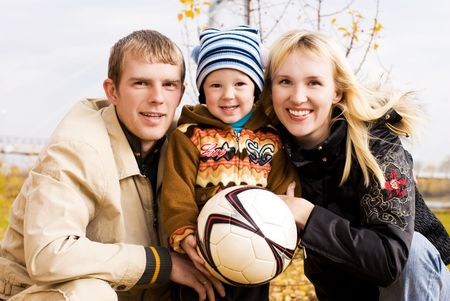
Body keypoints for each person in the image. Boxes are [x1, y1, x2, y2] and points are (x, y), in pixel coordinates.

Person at [0, 29, 222, 301]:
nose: (157, 97)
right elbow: (50, 254)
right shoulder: (77, 146)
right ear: (112, 91)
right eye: (141, 83)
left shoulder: (187, 143)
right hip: (39, 294)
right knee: (90, 294)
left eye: (169, 85)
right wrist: (164, 264)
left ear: (181, 93)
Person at [260, 29, 450, 300]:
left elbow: (390, 259)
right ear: (271, 89)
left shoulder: (377, 144)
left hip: (420, 288)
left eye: (314, 82)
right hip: (343, 293)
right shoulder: (272, 151)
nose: (298, 96)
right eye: (285, 81)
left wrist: (307, 215)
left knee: (413, 250)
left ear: (336, 91)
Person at [160, 25, 300, 301]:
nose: (228, 94)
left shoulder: (271, 139)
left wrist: (287, 213)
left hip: (257, 252)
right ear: (202, 91)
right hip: (203, 256)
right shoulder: (189, 136)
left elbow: (282, 184)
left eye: (239, 84)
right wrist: (185, 234)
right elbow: (177, 193)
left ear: (256, 89)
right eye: (215, 85)